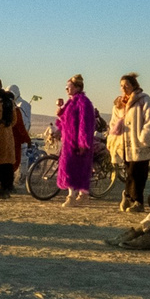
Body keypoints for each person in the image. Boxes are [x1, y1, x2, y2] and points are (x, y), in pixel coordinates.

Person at [107, 73, 150, 210]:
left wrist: (145, 136)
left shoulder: (144, 100)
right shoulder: (119, 104)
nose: (124, 88)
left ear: (134, 85)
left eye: (127, 85)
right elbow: (113, 123)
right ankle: (128, 196)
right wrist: (113, 138)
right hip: (124, 145)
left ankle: (137, 201)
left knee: (138, 174)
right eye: (121, 86)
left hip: (139, 144)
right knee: (129, 172)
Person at [54, 76, 102, 206]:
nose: (66, 89)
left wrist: (83, 142)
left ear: (77, 87)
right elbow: (63, 121)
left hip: (78, 142)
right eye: (66, 87)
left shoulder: (83, 102)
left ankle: (75, 196)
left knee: (78, 168)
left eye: (69, 87)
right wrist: (60, 110)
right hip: (68, 142)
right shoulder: (70, 103)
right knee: (69, 167)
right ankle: (76, 195)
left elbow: (85, 124)